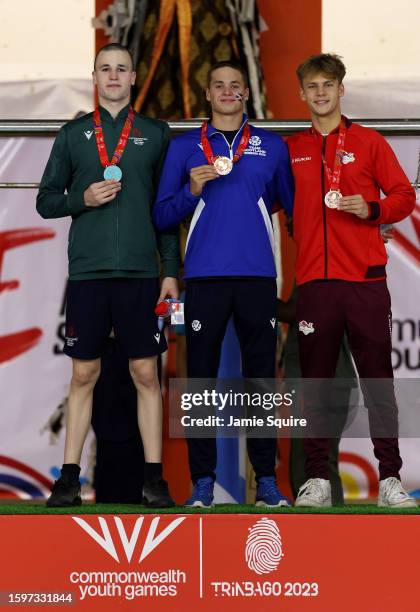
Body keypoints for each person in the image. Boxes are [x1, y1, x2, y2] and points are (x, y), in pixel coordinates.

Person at [36, 43, 179, 508]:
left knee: (144, 372)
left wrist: (170, 272)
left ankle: (153, 478)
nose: (113, 76)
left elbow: (165, 213)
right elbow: (46, 201)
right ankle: (69, 479)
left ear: (135, 77)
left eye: (121, 69)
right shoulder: (73, 134)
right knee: (84, 373)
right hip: (89, 273)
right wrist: (83, 198)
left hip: (141, 272)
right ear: (94, 77)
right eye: (105, 69)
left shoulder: (156, 134)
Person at [153, 61, 294, 507]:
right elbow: (161, 215)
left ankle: (267, 482)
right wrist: (191, 192)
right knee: (199, 384)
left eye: (236, 85)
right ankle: (202, 483)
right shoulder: (182, 149)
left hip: (256, 277)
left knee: (261, 382)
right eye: (220, 85)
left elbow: (294, 212)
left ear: (246, 93)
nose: (228, 91)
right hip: (205, 279)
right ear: (208, 95)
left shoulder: (271, 147)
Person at [287, 53, 416, 507]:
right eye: (312, 86)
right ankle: (317, 479)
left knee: (378, 382)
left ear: (342, 90)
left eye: (329, 85)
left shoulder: (370, 142)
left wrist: (373, 209)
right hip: (316, 284)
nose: (321, 93)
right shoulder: (292, 149)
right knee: (316, 385)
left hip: (363, 280)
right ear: (301, 94)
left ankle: (390, 480)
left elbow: (403, 195)